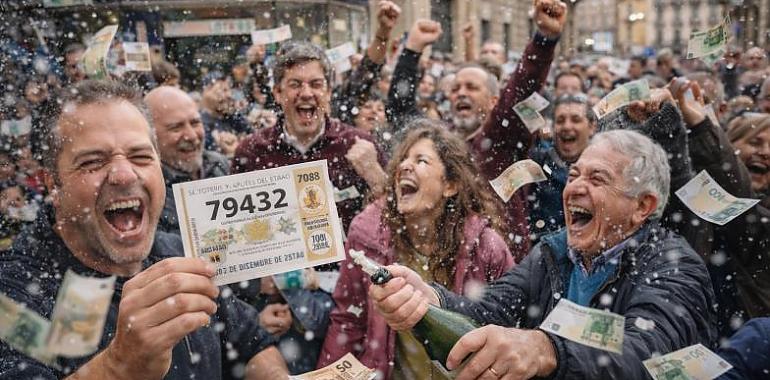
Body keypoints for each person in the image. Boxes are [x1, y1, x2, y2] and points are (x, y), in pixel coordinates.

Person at [370, 129, 717, 379]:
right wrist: (431, 299)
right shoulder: (553, 252)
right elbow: (490, 311)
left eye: (598, 179)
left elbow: (649, 355)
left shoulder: (674, 266)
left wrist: (547, 350)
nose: (576, 188)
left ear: (642, 206)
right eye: (575, 174)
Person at [0, 80, 288, 379]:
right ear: (53, 185)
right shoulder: (13, 296)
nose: (124, 175)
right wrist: (117, 367)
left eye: (140, 156)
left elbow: (252, 342)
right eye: (93, 162)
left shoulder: (176, 251)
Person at [318, 120, 514, 379]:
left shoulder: (486, 248)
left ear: (450, 186)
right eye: (403, 159)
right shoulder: (366, 237)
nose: (404, 166)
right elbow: (348, 318)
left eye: (421, 160)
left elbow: (511, 325)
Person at [386, 0, 567, 261]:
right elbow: (399, 111)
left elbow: (521, 89)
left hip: (499, 267)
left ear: (494, 101)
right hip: (446, 265)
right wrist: (412, 50)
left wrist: (544, 40)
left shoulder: (500, 137)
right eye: (456, 88)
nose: (461, 93)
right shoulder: (437, 141)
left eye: (471, 88)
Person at [233, 41, 387, 232]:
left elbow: (395, 222)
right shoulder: (252, 151)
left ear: (328, 92)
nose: (306, 93)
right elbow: (238, 232)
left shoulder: (359, 145)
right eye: (295, 84)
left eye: (316, 84)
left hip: (349, 261)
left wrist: (377, 178)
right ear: (278, 93)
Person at [144, 85, 230, 234]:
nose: (191, 136)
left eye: (195, 123)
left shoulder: (219, 164)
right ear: (150, 134)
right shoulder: (147, 189)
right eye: (176, 128)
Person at [529, 93, 597, 239]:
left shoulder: (604, 168)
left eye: (575, 119)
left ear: (592, 127)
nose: (567, 126)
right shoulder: (535, 164)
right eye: (560, 120)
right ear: (553, 127)